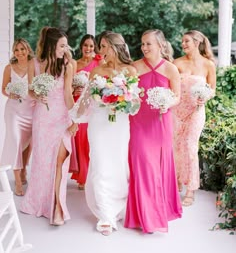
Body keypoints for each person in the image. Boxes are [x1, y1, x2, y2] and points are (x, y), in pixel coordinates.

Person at [70, 33, 136, 236]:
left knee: (117, 163)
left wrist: (121, 103)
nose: (101, 50)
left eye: (105, 46)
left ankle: (119, 206)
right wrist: (74, 117)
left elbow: (135, 104)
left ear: (116, 47)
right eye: (101, 46)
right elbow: (86, 99)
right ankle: (105, 214)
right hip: (99, 123)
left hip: (119, 125)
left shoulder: (130, 70)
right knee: (99, 162)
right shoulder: (96, 71)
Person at [124, 29, 182, 234]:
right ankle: (146, 217)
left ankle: (159, 211)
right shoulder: (134, 67)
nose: (144, 47)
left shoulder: (171, 69)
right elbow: (127, 94)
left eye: (149, 44)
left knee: (159, 167)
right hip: (139, 123)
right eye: (142, 44)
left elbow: (177, 96)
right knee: (143, 167)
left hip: (161, 123)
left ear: (160, 45)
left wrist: (168, 104)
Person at [20, 27, 77, 226]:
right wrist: (37, 95)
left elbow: (68, 95)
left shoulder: (68, 65)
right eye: (62, 45)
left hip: (61, 118)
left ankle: (57, 207)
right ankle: (40, 203)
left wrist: (74, 119)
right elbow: (30, 90)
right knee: (42, 162)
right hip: (42, 119)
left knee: (60, 162)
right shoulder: (33, 63)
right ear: (52, 45)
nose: (65, 48)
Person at [172, 30, 216, 206]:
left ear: (197, 42)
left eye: (186, 41)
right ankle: (174, 184)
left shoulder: (208, 65)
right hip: (177, 110)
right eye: (182, 42)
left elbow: (213, 89)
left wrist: (206, 96)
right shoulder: (177, 63)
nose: (183, 44)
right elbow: (171, 86)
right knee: (175, 147)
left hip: (196, 111)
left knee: (190, 147)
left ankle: (190, 190)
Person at [0, 38, 34, 196]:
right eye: (16, 50)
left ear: (28, 50)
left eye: (22, 49)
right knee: (14, 141)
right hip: (13, 110)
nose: (19, 53)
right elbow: (3, 89)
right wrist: (10, 93)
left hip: (31, 110)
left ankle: (24, 169)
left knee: (27, 143)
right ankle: (18, 182)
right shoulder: (9, 68)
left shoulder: (34, 66)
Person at [70, 34, 103, 190]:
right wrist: (73, 89)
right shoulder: (75, 64)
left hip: (93, 105)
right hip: (78, 104)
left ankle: (92, 175)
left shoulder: (99, 63)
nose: (88, 48)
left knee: (90, 142)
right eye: (85, 45)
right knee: (80, 141)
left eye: (91, 46)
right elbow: (67, 86)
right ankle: (82, 177)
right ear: (81, 46)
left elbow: (104, 84)